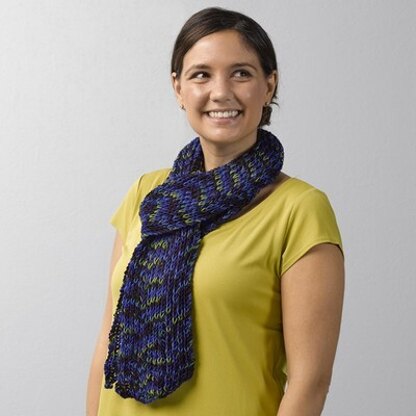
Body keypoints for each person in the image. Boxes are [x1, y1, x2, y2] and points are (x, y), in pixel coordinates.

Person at [86, 7, 345, 416]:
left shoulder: (300, 210)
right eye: (201, 75)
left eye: (241, 73)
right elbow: (106, 341)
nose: (220, 92)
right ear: (178, 88)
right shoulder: (147, 195)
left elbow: (310, 381)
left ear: (269, 85)